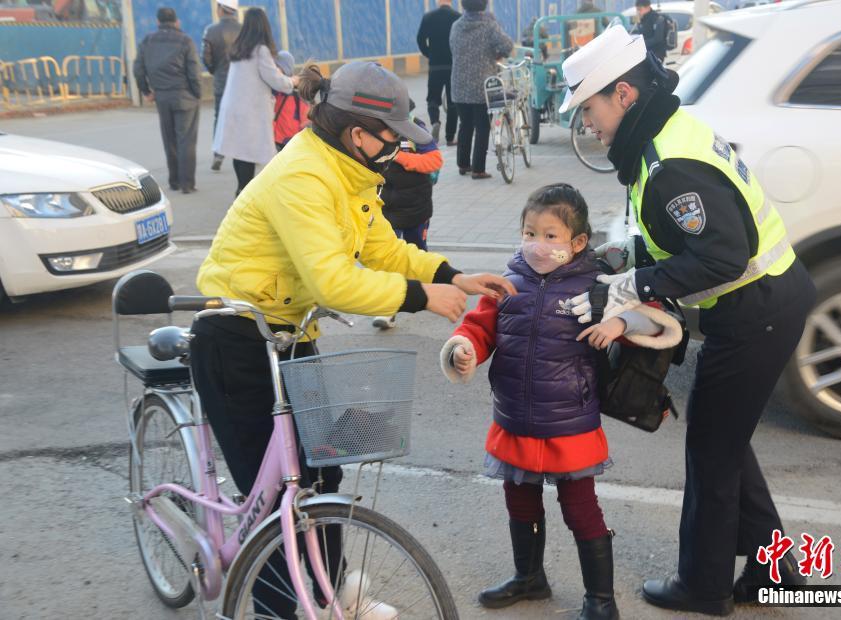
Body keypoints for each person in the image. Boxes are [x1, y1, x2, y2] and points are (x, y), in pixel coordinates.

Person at [191, 59, 516, 618]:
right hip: (235, 338)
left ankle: (327, 594)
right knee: (274, 502)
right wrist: (418, 298)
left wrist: (451, 275)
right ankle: (280, 609)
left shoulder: (350, 172)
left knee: (323, 473)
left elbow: (385, 249)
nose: (398, 151)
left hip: (289, 335)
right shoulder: (305, 176)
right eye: (392, 139)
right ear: (359, 134)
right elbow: (333, 280)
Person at [560, 25, 816, 615]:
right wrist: (630, 259)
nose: (588, 125)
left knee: (711, 448)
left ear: (624, 94)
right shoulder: (666, 134)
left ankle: (703, 585)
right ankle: (779, 571)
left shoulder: (669, 162)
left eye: (590, 108)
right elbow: (680, 236)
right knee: (723, 441)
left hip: (758, 310)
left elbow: (721, 253)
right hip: (763, 302)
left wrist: (636, 285)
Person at [440, 184, 679, 620]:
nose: (538, 243)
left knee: (580, 507)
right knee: (520, 499)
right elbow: (478, 329)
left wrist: (620, 321)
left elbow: (657, 316)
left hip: (570, 420)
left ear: (578, 242)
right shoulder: (505, 283)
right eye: (530, 232)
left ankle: (600, 600)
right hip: (514, 414)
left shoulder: (599, 285)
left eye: (551, 236)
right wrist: (464, 349)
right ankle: (528, 577)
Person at [372, 99, 443, 330]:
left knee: (417, 250)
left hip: (416, 205)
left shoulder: (416, 130)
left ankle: (427, 290)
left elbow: (435, 160)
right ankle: (388, 309)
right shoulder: (373, 130)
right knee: (387, 256)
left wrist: (400, 157)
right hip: (385, 206)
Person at [213, 7, 297, 196]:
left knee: (240, 153)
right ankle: (246, 195)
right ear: (264, 26)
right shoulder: (261, 50)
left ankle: (241, 189)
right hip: (250, 113)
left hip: (235, 110)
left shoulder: (239, 48)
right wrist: (293, 81)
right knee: (250, 154)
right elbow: (275, 79)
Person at [132, 7, 201, 194]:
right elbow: (193, 71)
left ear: (157, 22)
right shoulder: (186, 40)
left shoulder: (148, 41)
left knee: (169, 139)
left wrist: (147, 91)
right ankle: (187, 184)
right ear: (176, 22)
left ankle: (175, 181)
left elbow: (138, 69)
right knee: (186, 140)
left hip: (162, 96)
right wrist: (197, 93)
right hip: (185, 96)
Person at [449, 0, 513, 180]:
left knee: (465, 124)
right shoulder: (489, 25)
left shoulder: (456, 26)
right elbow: (507, 45)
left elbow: (452, 48)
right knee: (483, 126)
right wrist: (496, 54)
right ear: (484, 5)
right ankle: (478, 169)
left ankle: (463, 164)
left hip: (459, 84)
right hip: (482, 86)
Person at [202, 0, 242, 171]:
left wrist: (215, 70)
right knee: (242, 117)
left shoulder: (211, 31)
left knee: (220, 118)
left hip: (221, 81)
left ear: (220, 9)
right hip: (241, 83)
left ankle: (218, 154)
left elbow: (206, 57)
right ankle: (244, 153)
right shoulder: (243, 30)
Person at [416, 0, 461, 146]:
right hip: (452, 65)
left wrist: (430, 54)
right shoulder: (457, 17)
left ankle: (435, 121)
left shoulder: (428, 17)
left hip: (435, 65)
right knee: (453, 101)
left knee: (432, 99)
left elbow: (420, 39)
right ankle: (449, 137)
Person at [272, 51, 310, 151]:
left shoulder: (297, 92)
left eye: (277, 66)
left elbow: (306, 119)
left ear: (286, 69)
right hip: (277, 137)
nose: (274, 69)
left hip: (292, 138)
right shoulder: (274, 88)